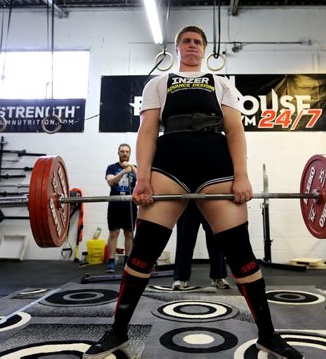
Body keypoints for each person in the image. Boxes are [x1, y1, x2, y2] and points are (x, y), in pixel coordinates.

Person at [83, 26, 304, 359]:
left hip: (216, 167)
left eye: (197, 42)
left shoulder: (222, 83)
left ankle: (268, 335)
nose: (192, 46)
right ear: (176, 48)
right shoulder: (157, 83)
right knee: (144, 251)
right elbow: (146, 131)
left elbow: (234, 130)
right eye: (186, 41)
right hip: (168, 165)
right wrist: (142, 177)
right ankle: (117, 332)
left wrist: (241, 175)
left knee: (241, 254)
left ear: (205, 49)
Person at [172, 200, 230, 290]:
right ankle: (181, 278)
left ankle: (218, 276)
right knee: (184, 241)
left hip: (211, 200)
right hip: (188, 200)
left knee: (217, 240)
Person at [104, 143, 137, 273]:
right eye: (122, 151)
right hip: (115, 204)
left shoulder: (134, 168)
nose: (124, 153)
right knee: (114, 233)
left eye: (127, 152)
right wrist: (124, 172)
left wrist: (131, 169)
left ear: (129, 154)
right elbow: (111, 182)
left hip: (129, 204)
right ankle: (111, 262)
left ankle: (127, 262)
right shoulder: (111, 167)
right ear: (118, 153)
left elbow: (142, 180)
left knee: (129, 233)